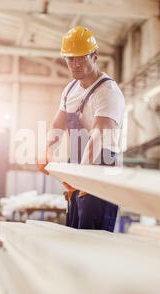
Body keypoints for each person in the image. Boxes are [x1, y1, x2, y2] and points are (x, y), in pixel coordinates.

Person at [38, 26, 125, 232]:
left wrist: (81, 177)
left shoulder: (107, 92)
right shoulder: (70, 89)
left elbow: (98, 137)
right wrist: (47, 151)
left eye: (81, 57)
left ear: (94, 56)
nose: (74, 64)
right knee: (74, 232)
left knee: (93, 238)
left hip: (101, 168)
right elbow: (57, 126)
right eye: (70, 58)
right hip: (79, 166)